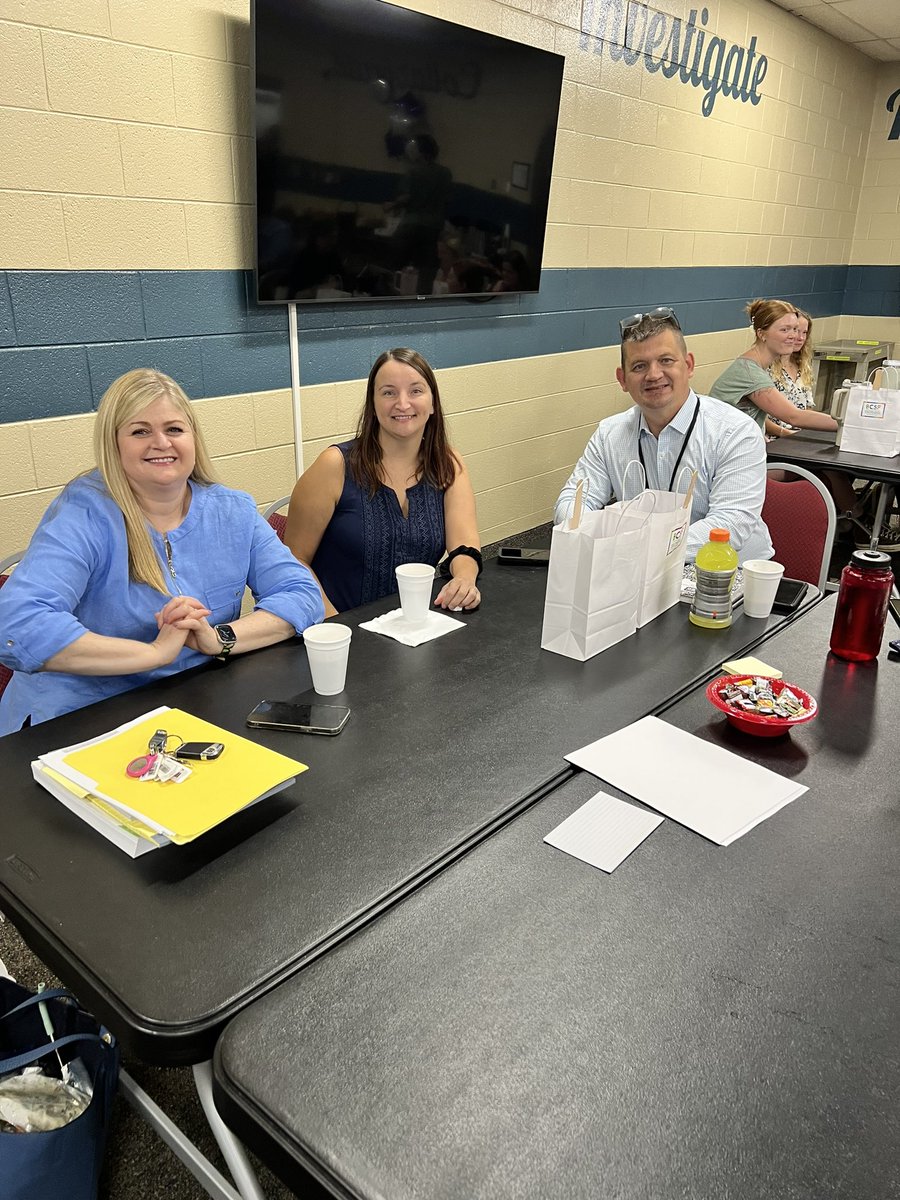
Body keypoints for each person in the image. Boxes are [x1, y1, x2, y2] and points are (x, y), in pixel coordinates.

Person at [0, 369, 324, 735]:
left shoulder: (232, 510)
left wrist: (219, 639)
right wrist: (154, 653)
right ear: (114, 443)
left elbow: (301, 595)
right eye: (140, 431)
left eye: (174, 429)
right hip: (78, 719)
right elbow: (17, 625)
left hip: (191, 707)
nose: (161, 443)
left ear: (193, 439)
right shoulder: (85, 512)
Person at [555, 307, 773, 563]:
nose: (654, 375)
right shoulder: (609, 435)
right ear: (622, 379)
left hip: (727, 577)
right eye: (639, 366)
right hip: (639, 573)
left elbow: (729, 525)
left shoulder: (735, 431)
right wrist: (585, 531)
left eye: (666, 361)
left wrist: (635, 549)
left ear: (689, 365)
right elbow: (572, 501)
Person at [285, 348, 481, 615]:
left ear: (432, 403)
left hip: (413, 626)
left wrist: (465, 579)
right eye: (389, 392)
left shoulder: (448, 463)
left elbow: (464, 546)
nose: (402, 404)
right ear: (373, 404)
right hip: (335, 629)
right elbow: (294, 561)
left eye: (415, 391)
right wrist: (337, 625)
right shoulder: (334, 465)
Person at [709, 299, 837, 435]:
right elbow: (794, 417)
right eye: (784, 330)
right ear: (761, 334)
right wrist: (847, 425)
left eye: (794, 329)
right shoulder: (751, 374)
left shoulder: (754, 366)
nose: (793, 336)